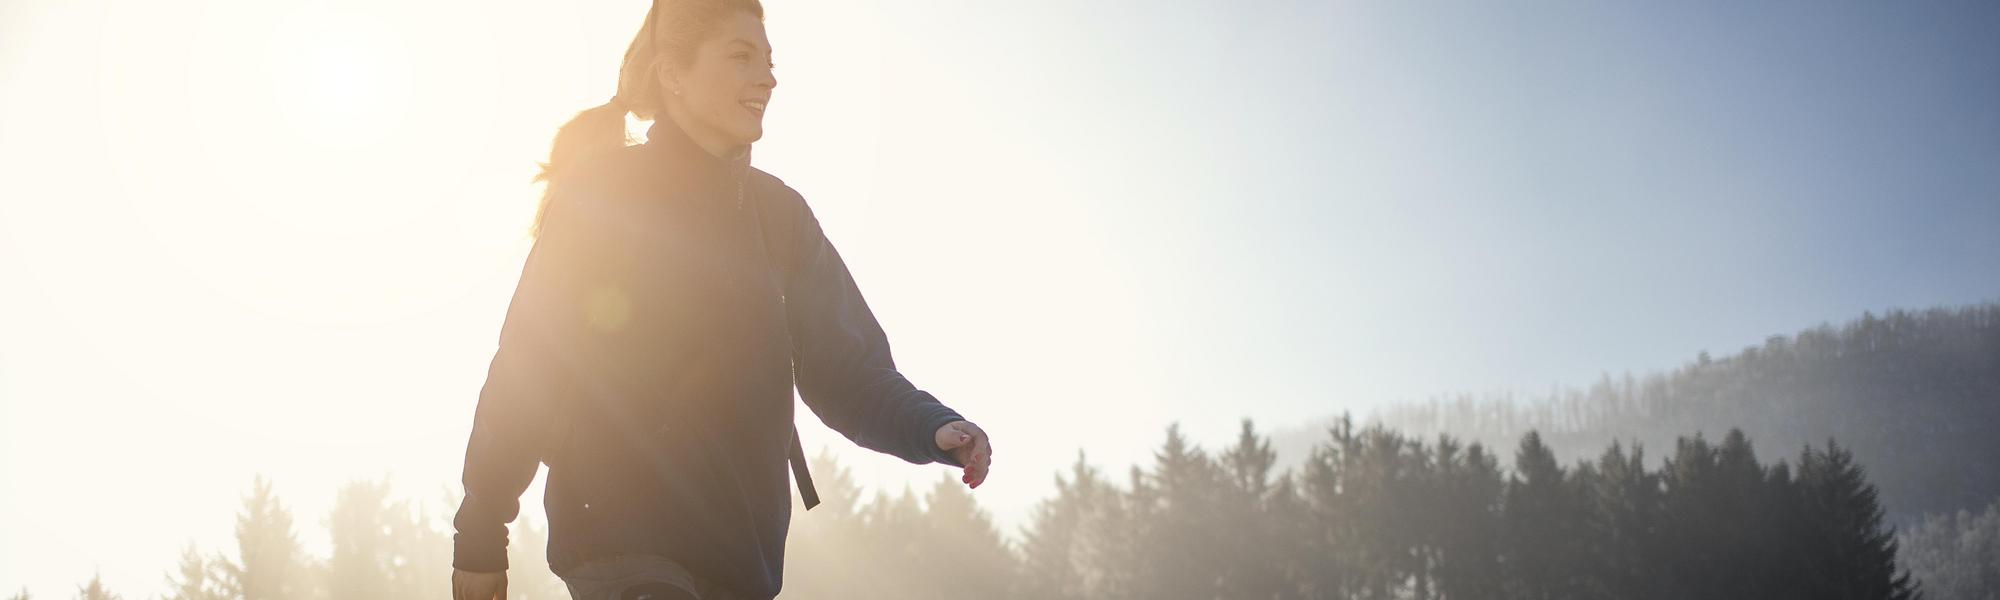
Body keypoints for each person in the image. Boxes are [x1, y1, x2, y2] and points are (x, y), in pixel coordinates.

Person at [448, 1, 993, 598]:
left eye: (769, 62)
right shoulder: (604, 195)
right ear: (673, 75)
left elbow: (848, 369)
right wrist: (480, 531)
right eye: (741, 58)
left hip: (741, 563)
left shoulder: (779, 216)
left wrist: (931, 426)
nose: (767, 77)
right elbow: (531, 362)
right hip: (623, 549)